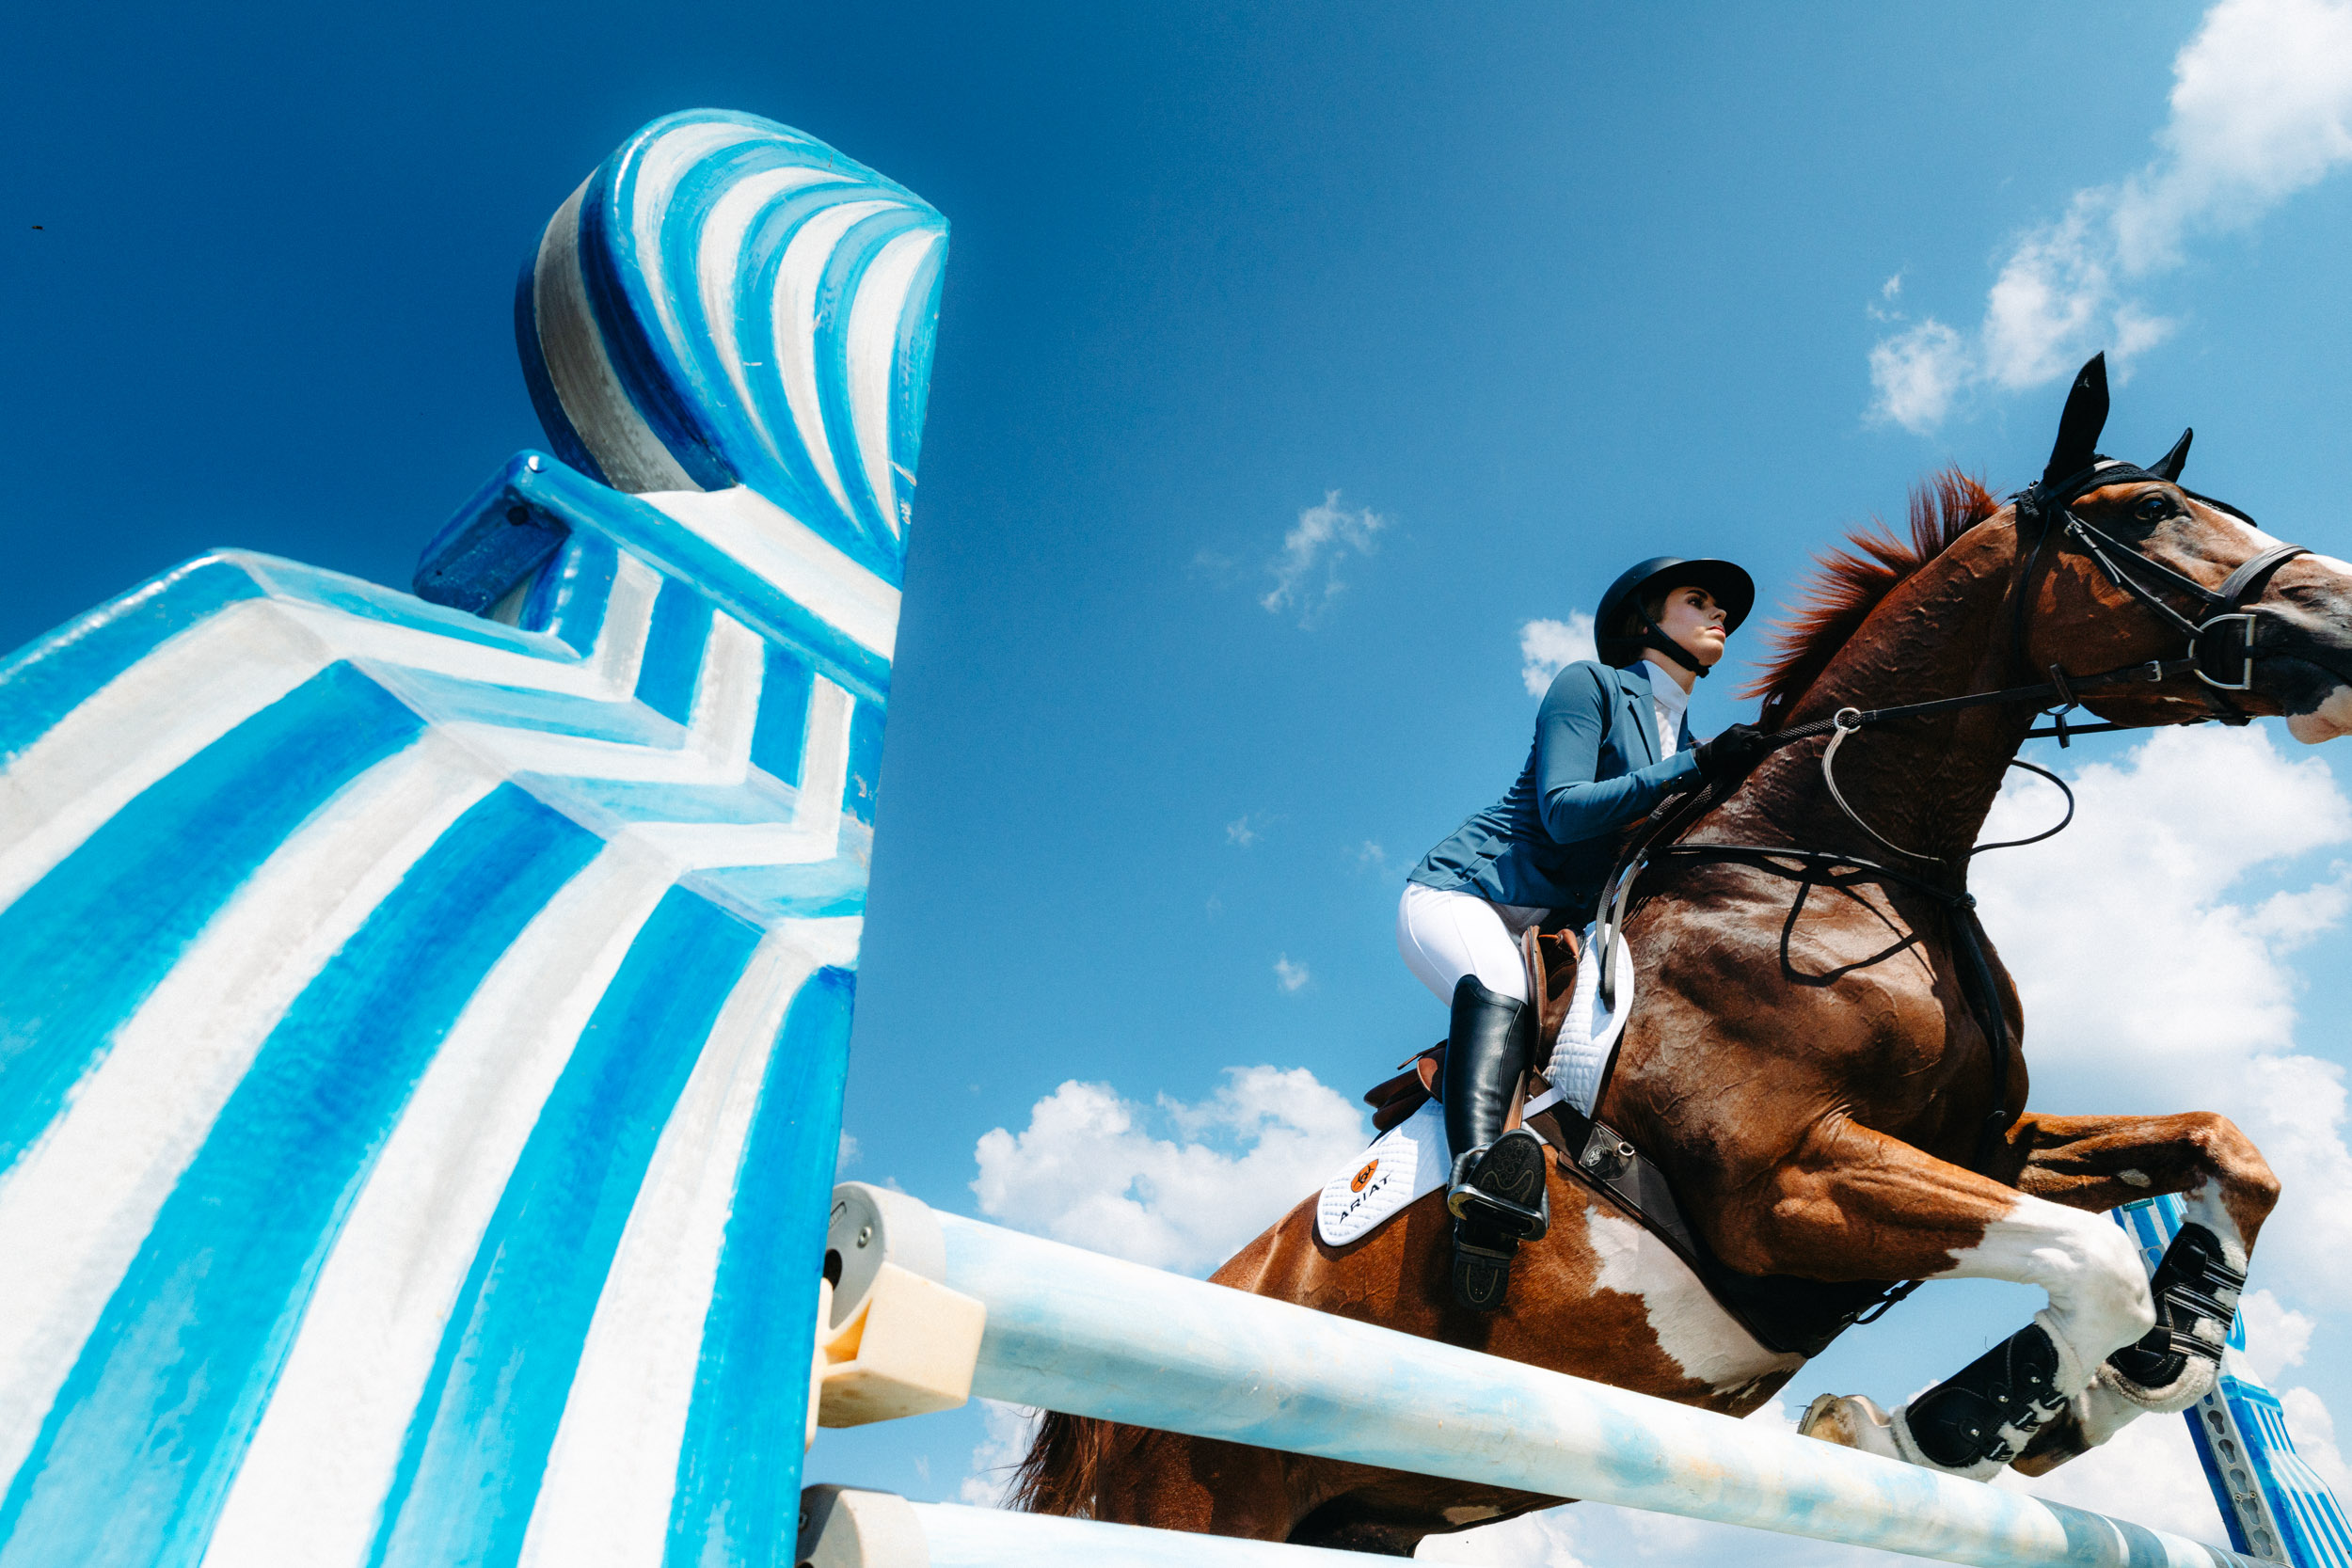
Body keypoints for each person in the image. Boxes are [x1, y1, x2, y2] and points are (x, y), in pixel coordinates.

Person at [1398, 556, 1770, 1310]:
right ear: (1645, 619)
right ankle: (1480, 1180)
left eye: (1722, 608)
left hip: (1555, 935)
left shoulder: (1686, 735)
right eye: (1698, 599)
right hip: (1466, 895)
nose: (1719, 614)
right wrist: (1696, 766)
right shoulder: (1591, 685)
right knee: (1499, 985)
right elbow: (1566, 810)